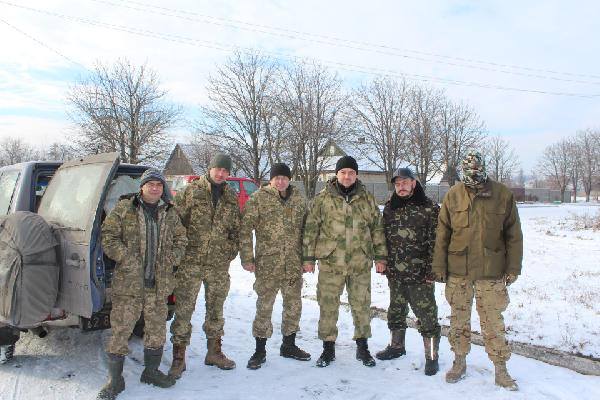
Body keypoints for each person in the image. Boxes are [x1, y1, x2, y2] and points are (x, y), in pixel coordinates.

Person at [432, 151, 523, 390]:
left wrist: (513, 267)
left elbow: (514, 236)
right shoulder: (453, 196)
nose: (474, 173)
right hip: (459, 271)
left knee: (493, 322)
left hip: (491, 271)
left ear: (483, 168)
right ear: (463, 170)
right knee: (458, 321)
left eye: (477, 169)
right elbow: (443, 234)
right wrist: (439, 266)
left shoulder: (502, 194)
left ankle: (501, 369)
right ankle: (459, 361)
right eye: (469, 170)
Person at [98, 168, 187, 400]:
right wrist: (125, 256)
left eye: (159, 185)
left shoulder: (169, 211)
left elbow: (181, 238)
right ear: (142, 187)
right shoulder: (125, 208)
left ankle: (151, 371)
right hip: (129, 285)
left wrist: (173, 258)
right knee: (121, 331)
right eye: (151, 185)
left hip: (158, 285)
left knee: (156, 330)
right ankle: (115, 380)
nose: (155, 188)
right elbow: (108, 236)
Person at [303, 156, 387, 368]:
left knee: (361, 305)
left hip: (360, 262)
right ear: (337, 174)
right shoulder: (322, 199)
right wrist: (308, 258)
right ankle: (328, 348)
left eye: (351, 172)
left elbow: (377, 229)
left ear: (356, 175)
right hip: (331, 263)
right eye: (343, 172)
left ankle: (362, 347)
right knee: (328, 305)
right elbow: (311, 229)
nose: (347, 176)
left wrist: (381, 257)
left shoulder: (367, 198)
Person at [169, 153, 240, 378]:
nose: (220, 174)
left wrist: (230, 251)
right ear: (209, 169)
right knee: (184, 310)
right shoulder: (191, 192)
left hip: (218, 265)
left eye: (225, 171)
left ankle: (214, 352)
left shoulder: (231, 196)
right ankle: (178, 358)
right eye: (217, 169)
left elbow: (236, 230)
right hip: (190, 262)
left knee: (216, 310)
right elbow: (175, 224)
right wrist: (180, 253)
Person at [240, 163, 311, 370]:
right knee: (264, 307)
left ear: (289, 179)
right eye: (276, 178)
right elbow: (245, 229)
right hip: (267, 264)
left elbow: (308, 230)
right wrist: (247, 258)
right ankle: (259, 350)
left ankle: (289, 345)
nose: (280, 181)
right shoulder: (259, 199)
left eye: (284, 178)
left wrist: (308, 259)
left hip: (293, 264)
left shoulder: (299, 200)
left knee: (293, 306)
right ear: (271, 179)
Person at [376, 167, 441, 375]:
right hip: (395, 273)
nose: (401, 187)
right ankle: (397, 347)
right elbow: (382, 238)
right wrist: (383, 261)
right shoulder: (390, 207)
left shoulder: (429, 207)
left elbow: (436, 241)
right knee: (396, 311)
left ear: (414, 183)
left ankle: (431, 356)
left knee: (427, 316)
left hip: (420, 274)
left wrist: (432, 270)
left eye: (405, 182)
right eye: (397, 184)